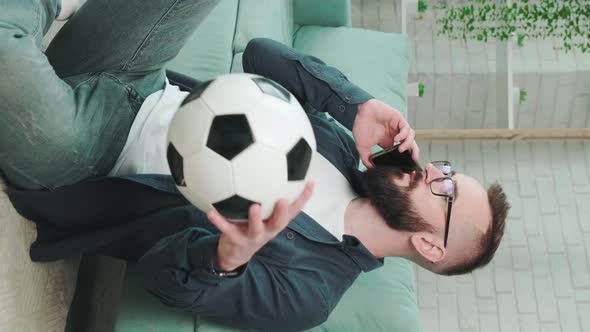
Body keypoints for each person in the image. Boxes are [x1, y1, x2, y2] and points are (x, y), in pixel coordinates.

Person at [2, 1, 510, 331]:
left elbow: (166, 280)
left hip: (85, 158)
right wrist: (353, 105)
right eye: (446, 169)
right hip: (140, 78)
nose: (431, 172)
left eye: (445, 189)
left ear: (429, 243)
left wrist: (228, 256)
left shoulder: (311, 291)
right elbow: (263, 57)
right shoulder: (342, 151)